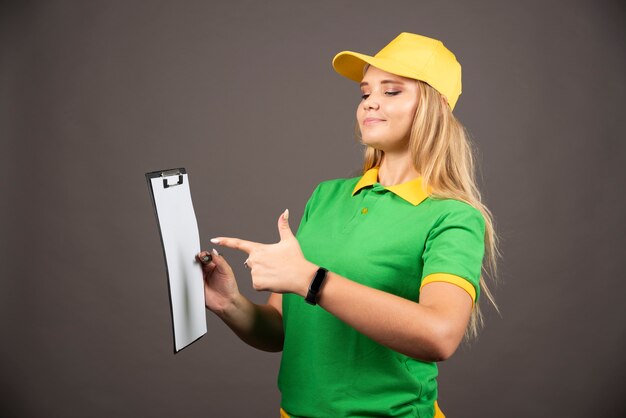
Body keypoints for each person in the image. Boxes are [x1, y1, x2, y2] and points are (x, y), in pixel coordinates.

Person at [197, 32, 498, 418]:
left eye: (392, 91)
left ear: (436, 106)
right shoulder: (326, 197)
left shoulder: (452, 216)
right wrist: (230, 304)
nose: (370, 101)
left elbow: (439, 335)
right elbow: (282, 329)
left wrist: (311, 279)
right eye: (365, 92)